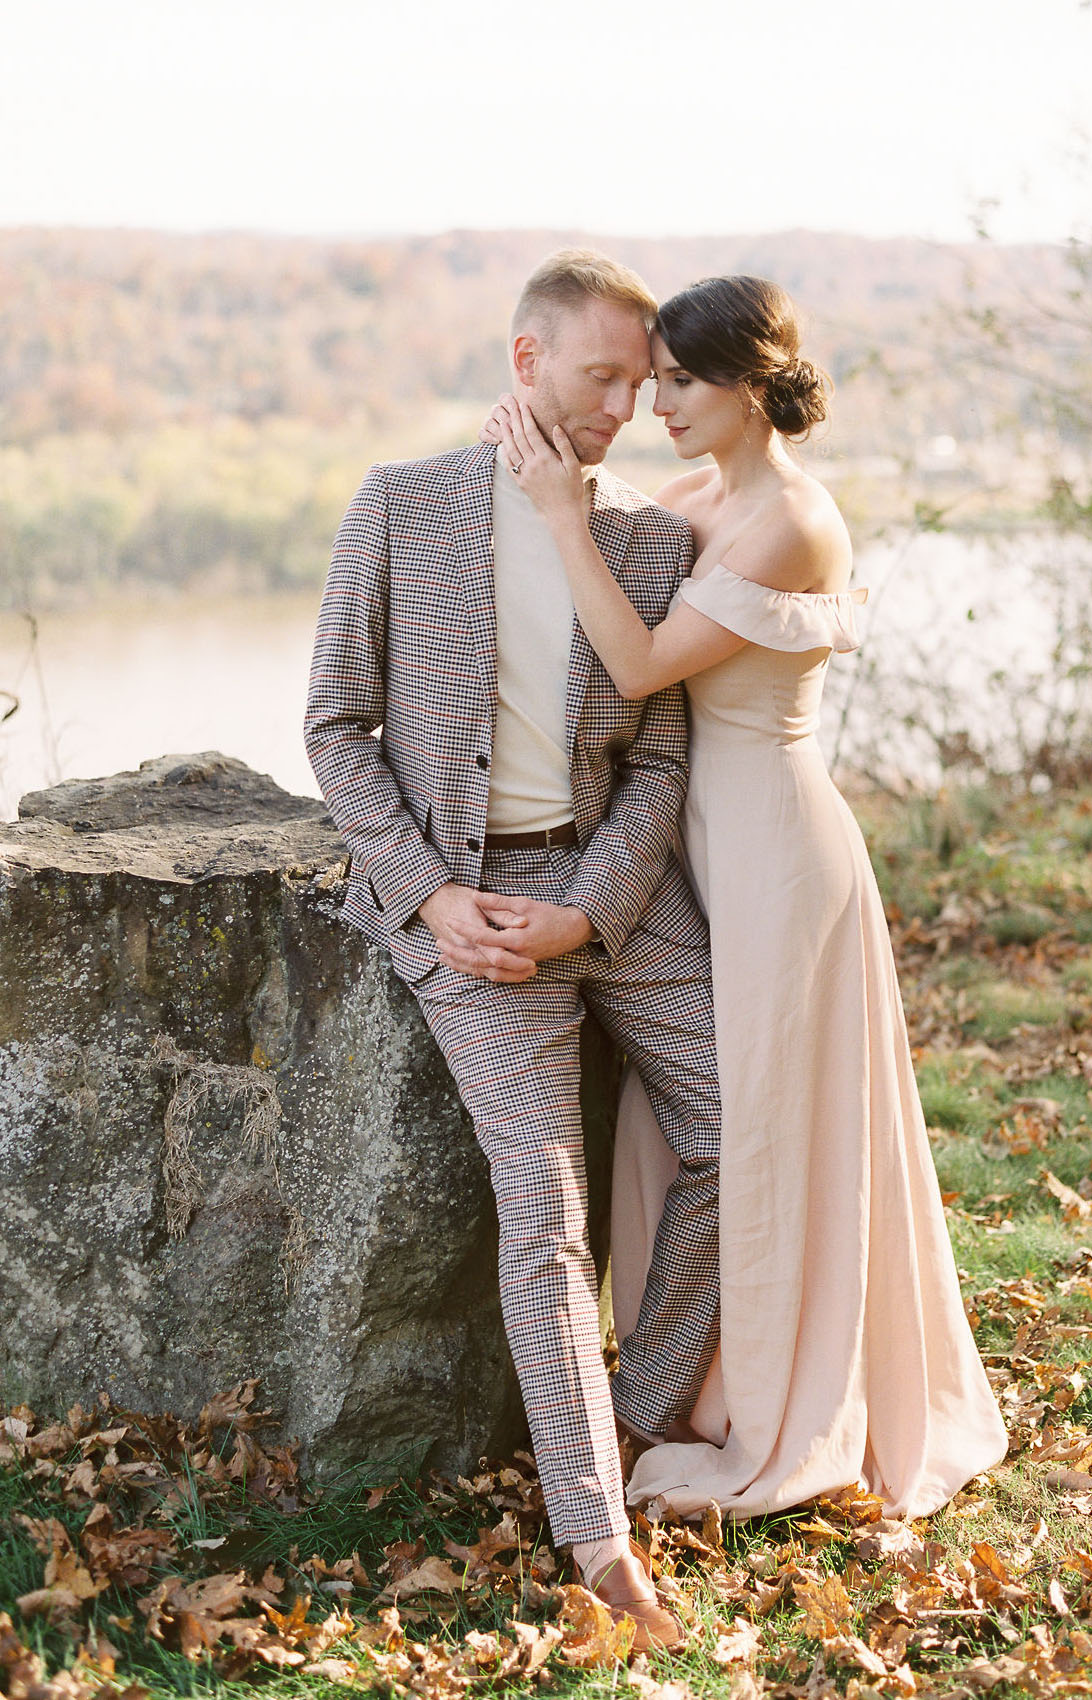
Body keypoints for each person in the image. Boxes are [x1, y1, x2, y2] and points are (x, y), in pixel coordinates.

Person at [482, 273, 1008, 1522]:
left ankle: (786, 1397)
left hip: (772, 845)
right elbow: (587, 551)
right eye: (641, 379)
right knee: (694, 1115)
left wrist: (559, 512)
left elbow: (637, 660)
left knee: (768, 1114)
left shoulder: (795, 521)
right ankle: (702, 1378)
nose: (654, 404)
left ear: (747, 385)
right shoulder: (696, 497)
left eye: (676, 380)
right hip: (687, 841)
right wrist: (539, 455)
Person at [304, 250, 726, 1651]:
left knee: (747, 1125)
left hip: (613, 899)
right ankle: (599, 1539)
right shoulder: (402, 502)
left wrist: (593, 909)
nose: (624, 406)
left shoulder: (648, 537)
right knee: (545, 1212)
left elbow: (658, 759)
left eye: (639, 382)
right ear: (526, 361)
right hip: (473, 911)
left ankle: (635, 1411)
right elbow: (334, 727)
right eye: (601, 376)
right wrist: (429, 894)